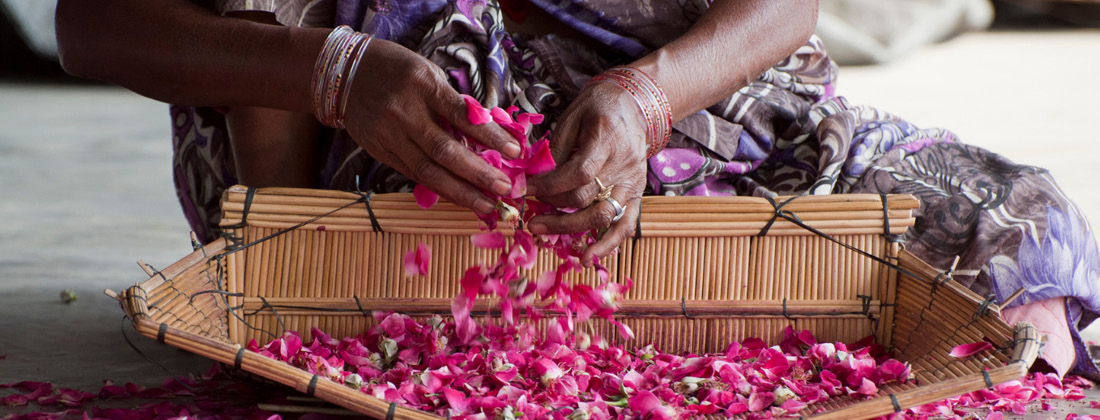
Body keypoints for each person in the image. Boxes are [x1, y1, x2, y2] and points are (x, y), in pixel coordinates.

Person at [55, 0, 1100, 380]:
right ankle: (287, 283)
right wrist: (329, 73)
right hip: (367, 138)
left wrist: (641, 101)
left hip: (681, 125)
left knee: (1016, 222)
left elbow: (783, 8)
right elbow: (94, 22)